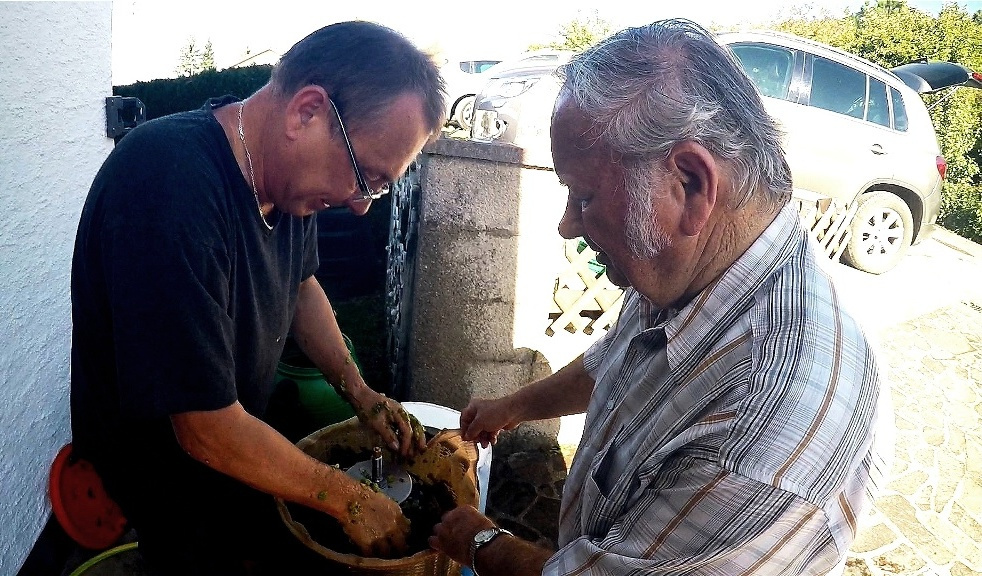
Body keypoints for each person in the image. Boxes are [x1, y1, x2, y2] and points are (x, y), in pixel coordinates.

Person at [429, 19, 886, 576]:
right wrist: (514, 408)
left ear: (690, 183)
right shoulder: (690, 264)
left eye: (584, 196)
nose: (568, 225)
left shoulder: (757, 440)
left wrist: (480, 542)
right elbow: (617, 362)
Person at [70, 21, 444, 575]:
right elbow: (204, 427)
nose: (361, 204)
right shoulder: (167, 183)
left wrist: (360, 392)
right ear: (307, 112)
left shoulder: (286, 184)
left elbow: (301, 286)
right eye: (364, 176)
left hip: (234, 433)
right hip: (165, 465)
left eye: (379, 185)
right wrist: (350, 499)